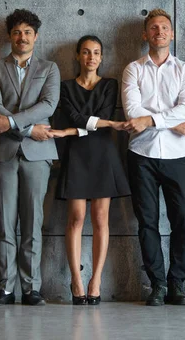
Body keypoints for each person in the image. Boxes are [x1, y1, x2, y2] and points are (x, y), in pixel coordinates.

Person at [121, 8, 185, 306]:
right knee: (147, 222)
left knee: (184, 220)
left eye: (165, 27)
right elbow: (131, 112)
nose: (160, 32)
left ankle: (177, 283)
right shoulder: (133, 69)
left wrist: (152, 120)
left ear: (172, 33)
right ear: (145, 34)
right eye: (154, 28)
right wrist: (170, 121)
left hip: (177, 154)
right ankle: (157, 284)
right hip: (142, 154)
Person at [0, 9, 60, 306]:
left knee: (32, 222)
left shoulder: (49, 67)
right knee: (4, 221)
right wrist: (28, 131)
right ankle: (5, 287)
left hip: (38, 156)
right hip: (4, 151)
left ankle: (31, 288)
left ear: (35, 36)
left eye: (28, 32)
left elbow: (49, 104)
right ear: (9, 36)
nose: (22, 37)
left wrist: (15, 124)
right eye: (17, 32)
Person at [50, 35, 131, 305]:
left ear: (102, 57)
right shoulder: (65, 87)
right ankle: (76, 280)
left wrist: (71, 131)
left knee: (101, 220)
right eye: (86, 52)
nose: (91, 57)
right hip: (76, 156)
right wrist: (99, 123)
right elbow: (83, 118)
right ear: (77, 56)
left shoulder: (110, 84)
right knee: (75, 218)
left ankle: (96, 280)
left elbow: (105, 115)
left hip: (103, 156)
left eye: (96, 52)